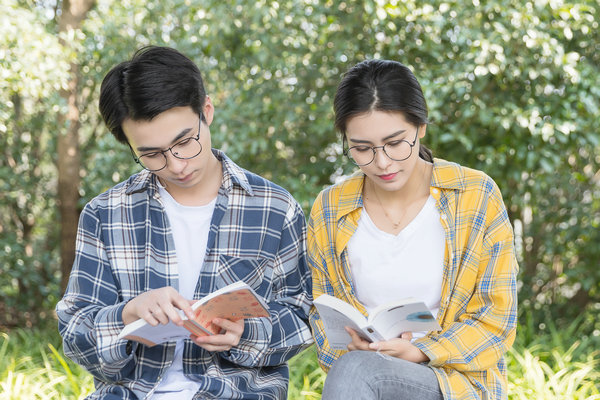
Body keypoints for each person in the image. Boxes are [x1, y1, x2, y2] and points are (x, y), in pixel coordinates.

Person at [56, 46, 313, 399]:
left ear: (206, 111)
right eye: (151, 154)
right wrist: (127, 314)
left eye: (184, 141)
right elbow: (74, 334)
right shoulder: (105, 214)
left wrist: (245, 334)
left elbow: (303, 317)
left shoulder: (274, 207)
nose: (176, 165)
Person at [307, 59, 518, 399]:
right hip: (363, 377)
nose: (382, 162)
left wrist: (421, 352)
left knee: (357, 369)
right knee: (356, 367)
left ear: (420, 127)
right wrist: (355, 346)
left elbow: (496, 322)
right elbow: (322, 316)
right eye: (362, 149)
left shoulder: (475, 196)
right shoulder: (330, 208)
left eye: (395, 142)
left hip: (453, 382)